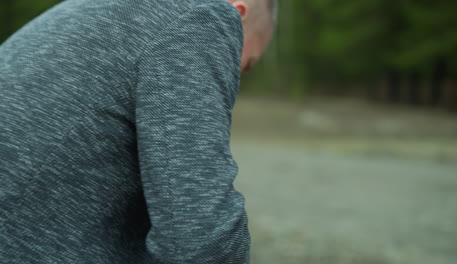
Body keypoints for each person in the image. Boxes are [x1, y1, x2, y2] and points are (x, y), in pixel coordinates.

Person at [0, 0, 276, 263]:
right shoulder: (199, 15)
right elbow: (199, 240)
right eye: (247, 65)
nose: (238, 76)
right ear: (238, 14)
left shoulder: (83, 13)